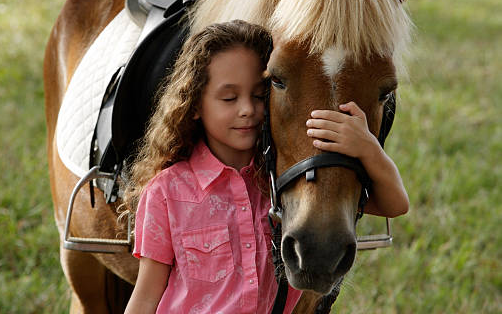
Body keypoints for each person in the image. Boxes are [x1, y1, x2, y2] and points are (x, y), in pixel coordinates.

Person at [123, 20, 408, 314]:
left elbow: (395, 204)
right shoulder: (166, 193)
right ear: (194, 104)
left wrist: (367, 147)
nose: (247, 109)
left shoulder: (277, 181)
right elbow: (146, 296)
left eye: (259, 96)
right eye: (229, 98)